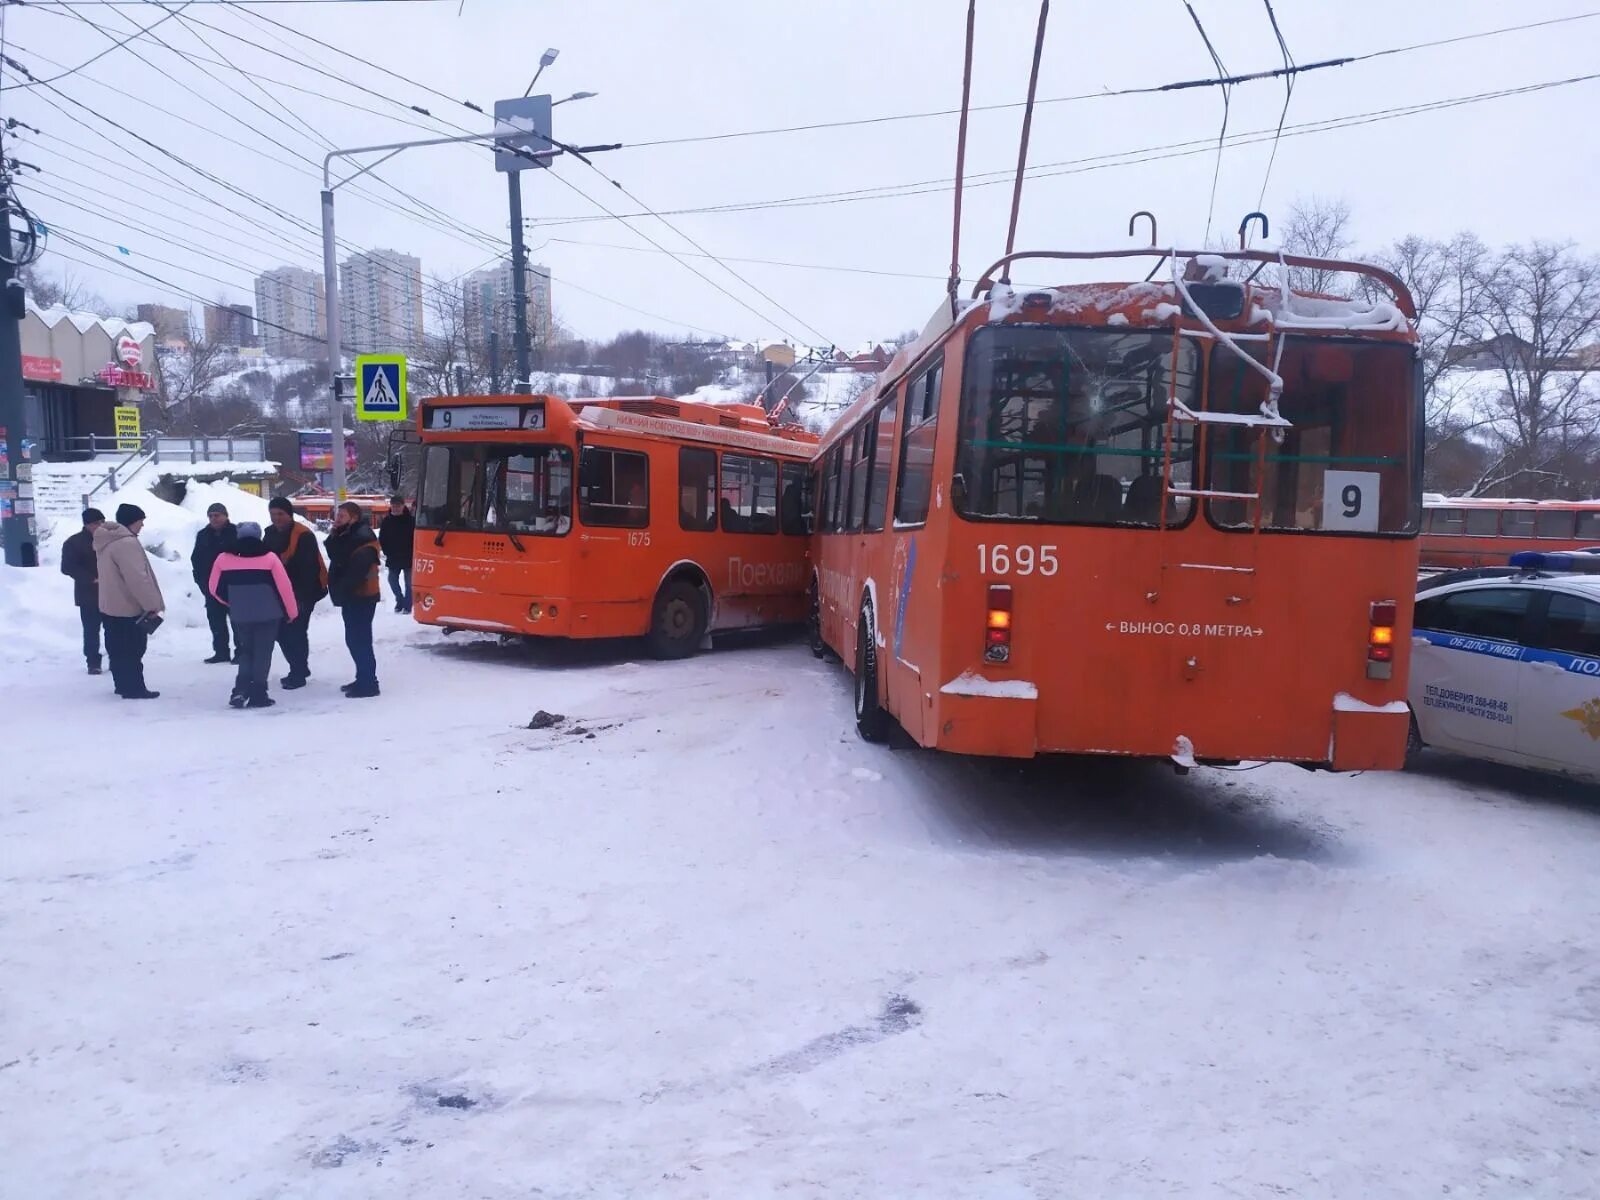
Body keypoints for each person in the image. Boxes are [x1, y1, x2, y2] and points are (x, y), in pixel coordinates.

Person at [208, 521, 299, 709]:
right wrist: (291, 612)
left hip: (241, 614)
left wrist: (233, 602)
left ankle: (240, 690)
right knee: (263, 654)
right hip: (269, 613)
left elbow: (214, 588)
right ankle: (258, 693)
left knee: (246, 651)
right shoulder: (270, 558)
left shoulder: (223, 559)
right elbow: (285, 588)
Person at [94, 503, 165, 700]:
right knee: (133, 649)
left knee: (116, 649)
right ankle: (134, 688)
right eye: (141, 521)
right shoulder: (126, 544)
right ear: (132, 521)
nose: (142, 525)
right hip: (128, 607)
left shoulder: (106, 541)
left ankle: (122, 684)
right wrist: (152, 605)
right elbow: (137, 578)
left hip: (110, 605)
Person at [263, 496, 327, 689]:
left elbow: (308, 569)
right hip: (279, 591)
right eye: (273, 514)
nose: (276, 518)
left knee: (295, 631)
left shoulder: (303, 535)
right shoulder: (270, 533)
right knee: (282, 632)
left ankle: (298, 673)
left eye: (280, 514)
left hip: (303, 591)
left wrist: (299, 599)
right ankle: (300, 666)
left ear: (289, 514)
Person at [325, 500, 381, 699]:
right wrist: (334, 534)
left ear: (354, 518)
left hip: (362, 597)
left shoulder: (362, 539)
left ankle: (369, 683)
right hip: (353, 597)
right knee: (354, 639)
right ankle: (362, 678)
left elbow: (354, 572)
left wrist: (341, 590)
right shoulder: (348, 536)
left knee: (360, 640)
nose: (337, 519)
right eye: (337, 515)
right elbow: (336, 555)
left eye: (341, 516)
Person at [190, 502, 238, 664]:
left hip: (234, 586)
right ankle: (221, 652)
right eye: (210, 516)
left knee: (238, 622)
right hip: (211, 586)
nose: (213, 519)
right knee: (216, 622)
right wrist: (201, 582)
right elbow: (196, 559)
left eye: (217, 515)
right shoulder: (203, 535)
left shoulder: (236, 533)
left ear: (226, 516)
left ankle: (241, 652)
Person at [60, 507, 105, 675]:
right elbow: (67, 567)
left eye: (102, 522)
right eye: (96, 523)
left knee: (113, 628)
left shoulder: (108, 540)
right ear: (87, 525)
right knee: (91, 630)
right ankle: (93, 662)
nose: (100, 526)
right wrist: (91, 578)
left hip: (111, 593)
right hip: (89, 594)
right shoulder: (74, 542)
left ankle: (116, 658)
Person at [378, 495, 415, 614]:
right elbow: (382, 538)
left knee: (409, 582)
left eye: (398, 506)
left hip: (409, 556)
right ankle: (400, 600)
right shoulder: (387, 521)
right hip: (393, 557)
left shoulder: (411, 520)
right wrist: (387, 551)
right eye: (393, 506)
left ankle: (408, 605)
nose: (395, 508)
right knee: (392, 580)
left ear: (403, 506)